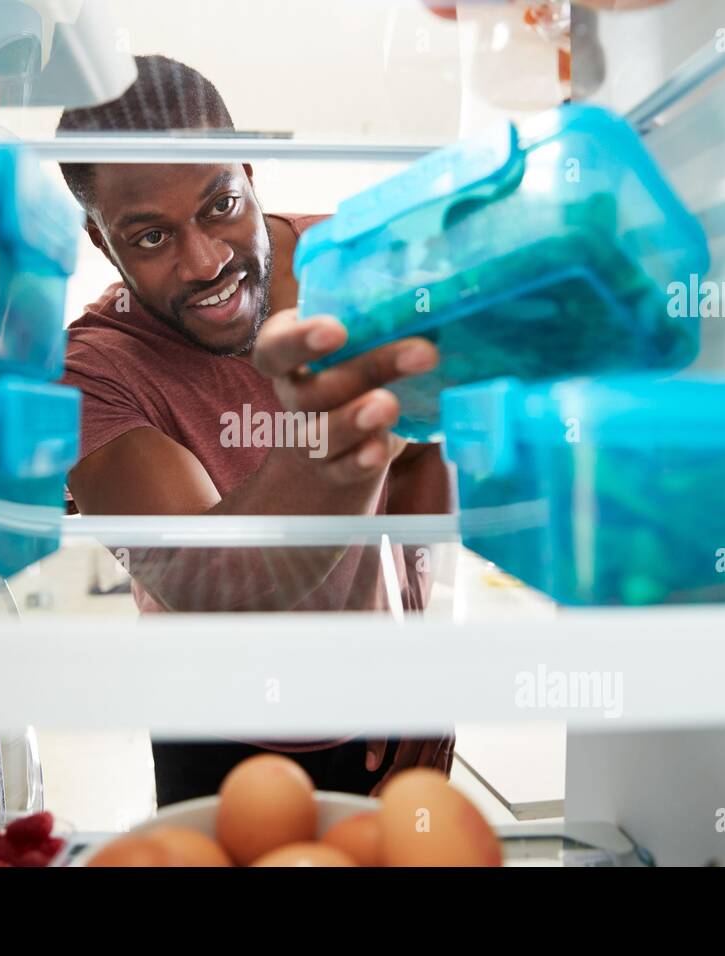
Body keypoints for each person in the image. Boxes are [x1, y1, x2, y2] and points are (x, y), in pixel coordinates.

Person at [57, 54, 454, 806]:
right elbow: (214, 585)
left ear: (245, 169)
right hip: (216, 736)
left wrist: (418, 666)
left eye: (218, 206)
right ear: (102, 242)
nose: (204, 262)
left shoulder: (353, 264)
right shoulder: (93, 373)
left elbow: (417, 475)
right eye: (149, 237)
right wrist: (325, 445)